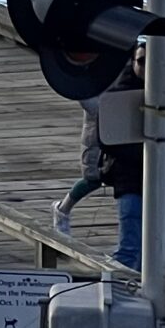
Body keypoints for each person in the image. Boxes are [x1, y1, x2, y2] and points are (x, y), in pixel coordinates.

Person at [98, 47, 165, 273]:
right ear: (132, 63)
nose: (146, 67)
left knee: (156, 246)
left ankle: (146, 295)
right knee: (130, 248)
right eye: (141, 61)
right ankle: (113, 291)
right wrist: (149, 153)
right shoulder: (118, 95)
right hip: (130, 180)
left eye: (152, 61)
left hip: (164, 180)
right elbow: (105, 139)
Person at [53, 94, 109, 237]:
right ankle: (62, 210)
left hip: (126, 132)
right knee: (93, 179)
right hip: (97, 135)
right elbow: (83, 96)